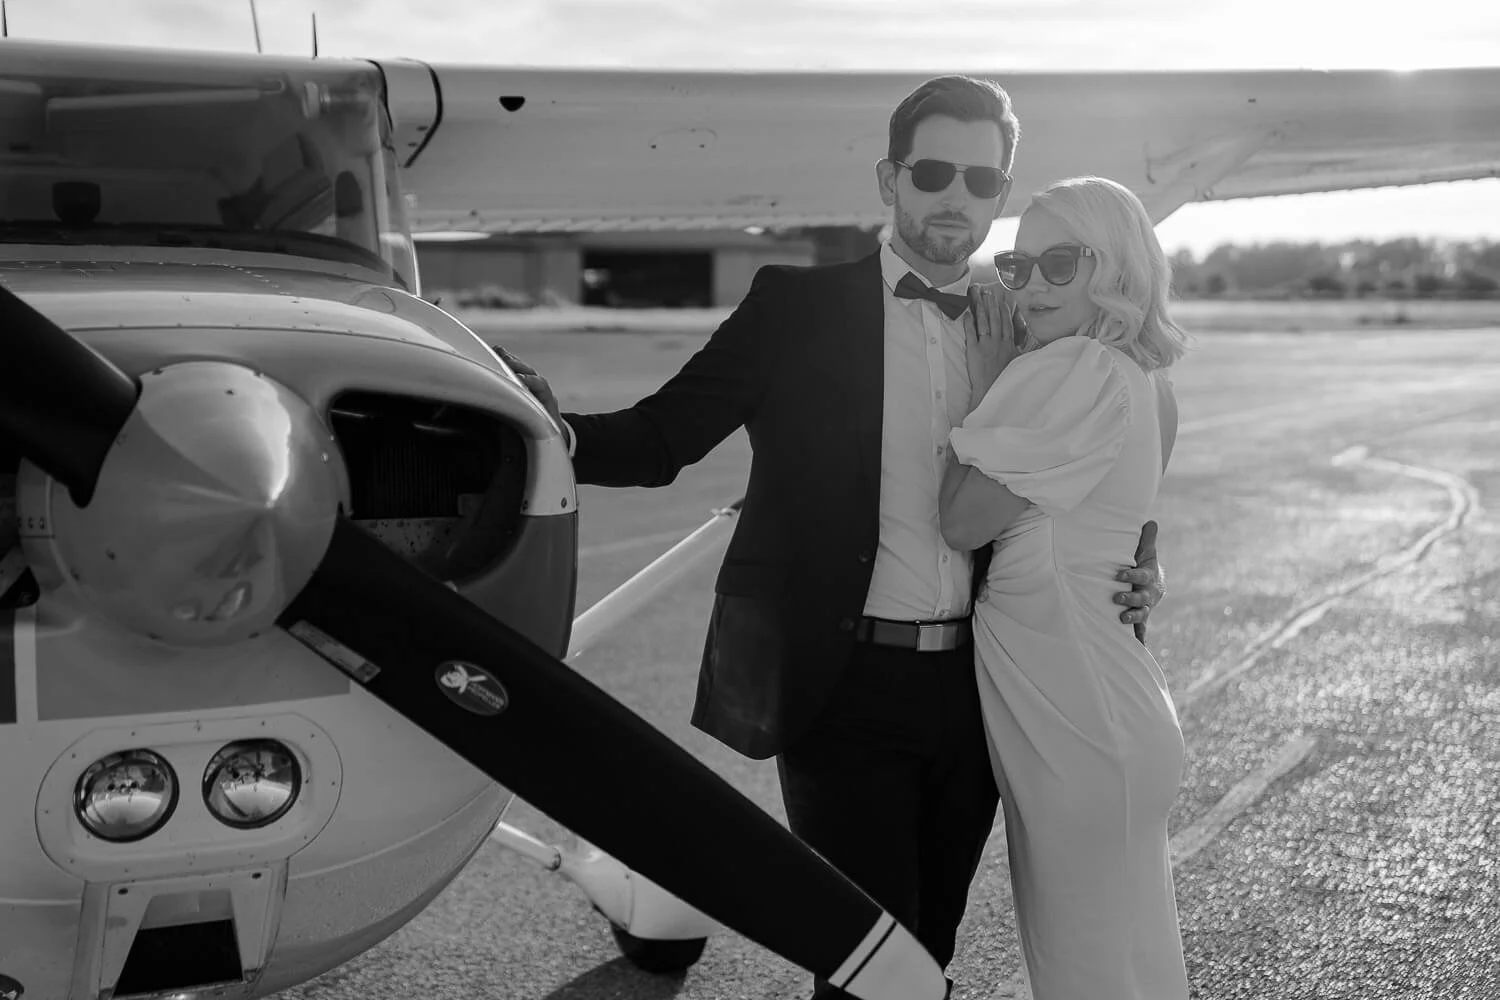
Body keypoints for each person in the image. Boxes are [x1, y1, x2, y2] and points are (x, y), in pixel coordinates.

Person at [504, 77, 1164, 995]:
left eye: (981, 180)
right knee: (868, 969)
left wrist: (1139, 558)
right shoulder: (794, 306)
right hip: (840, 683)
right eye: (932, 173)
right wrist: (542, 434)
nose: (956, 197)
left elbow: (1102, 453)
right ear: (890, 179)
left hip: (981, 692)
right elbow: (662, 438)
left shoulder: (1023, 321)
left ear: (1001, 196)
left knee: (928, 955)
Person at [940, 175, 1190, 998]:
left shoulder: (1066, 368)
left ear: (1114, 266)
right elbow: (1123, 536)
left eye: (1060, 263)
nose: (1031, 286)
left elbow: (961, 521)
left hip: (1076, 728)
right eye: (1017, 267)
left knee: (1086, 978)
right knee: (1137, 972)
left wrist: (990, 383)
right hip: (1117, 715)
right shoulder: (1148, 381)